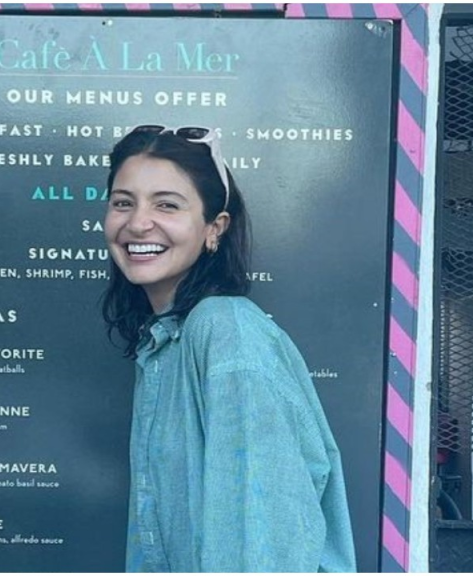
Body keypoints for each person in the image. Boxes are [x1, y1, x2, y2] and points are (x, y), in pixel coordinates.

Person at [101, 125, 356, 572]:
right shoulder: (165, 343)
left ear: (214, 228)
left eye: (167, 204)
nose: (138, 222)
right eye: (124, 202)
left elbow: (259, 540)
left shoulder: (224, 330)